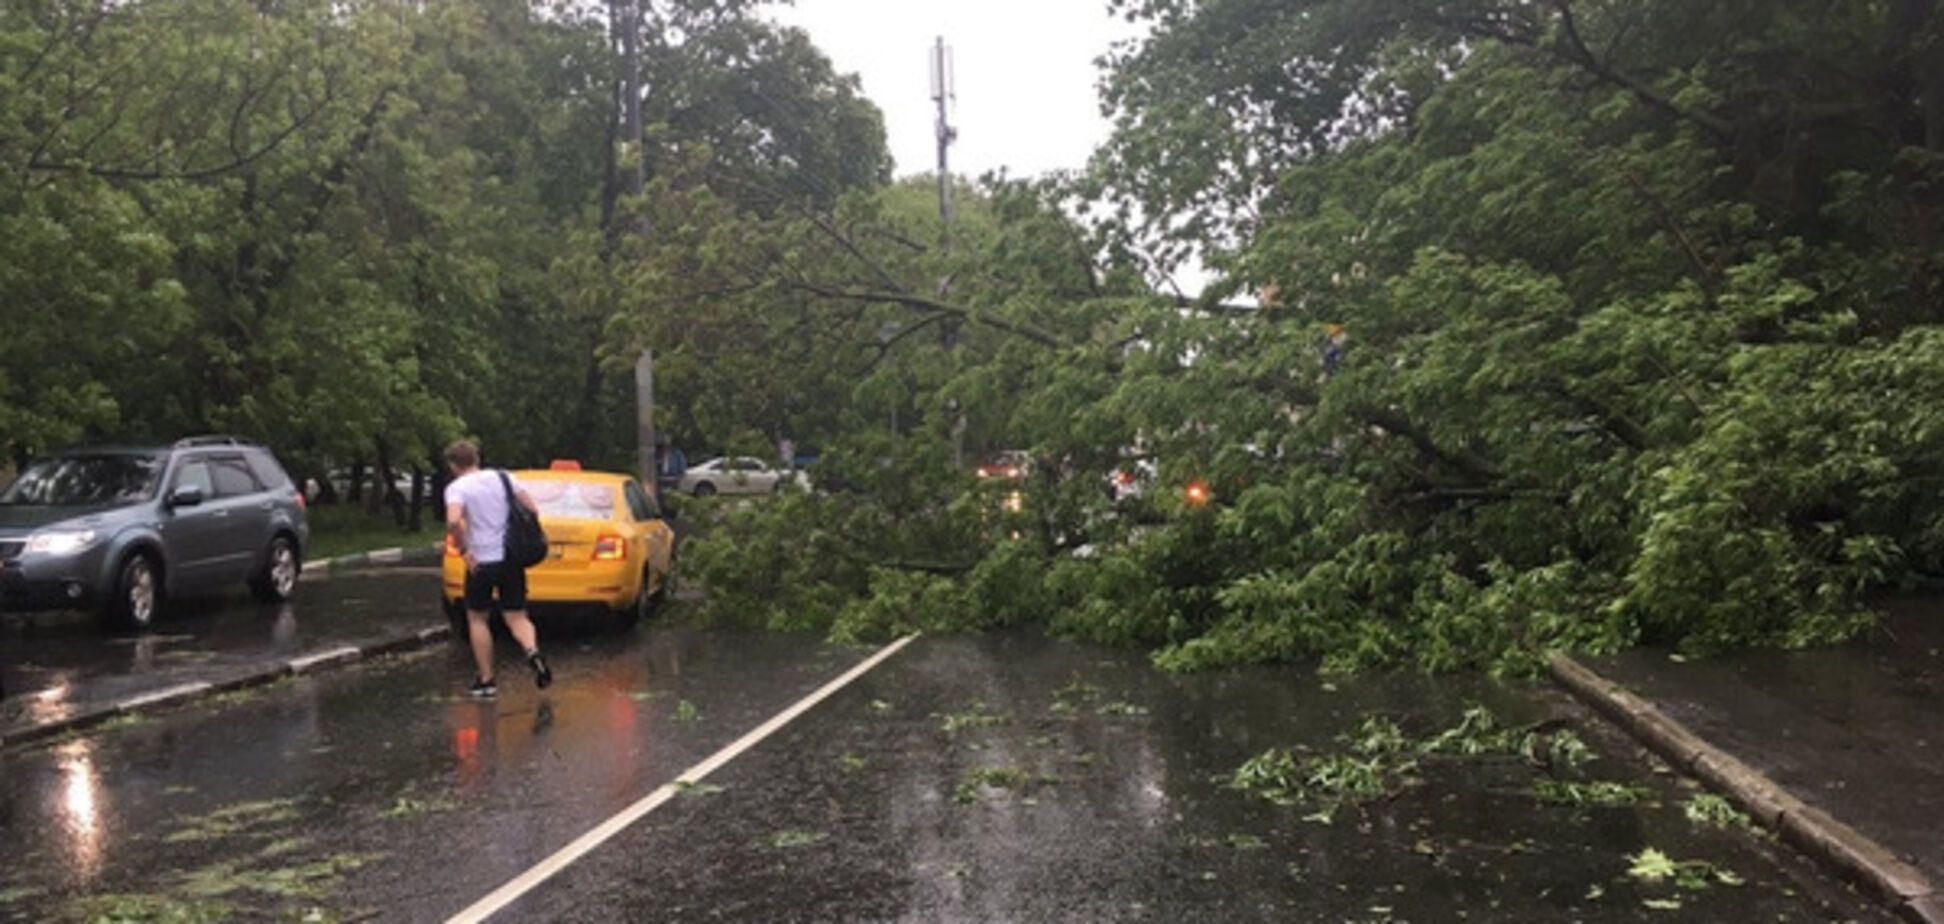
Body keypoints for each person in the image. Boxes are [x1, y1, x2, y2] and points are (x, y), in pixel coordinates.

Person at [443, 440, 551, 698]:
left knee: (478, 618)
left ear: (453, 465)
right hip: (510, 558)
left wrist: (464, 550)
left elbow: (453, 520)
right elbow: (532, 508)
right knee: (517, 615)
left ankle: (486, 680)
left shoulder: (457, 488)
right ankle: (532, 651)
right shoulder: (503, 478)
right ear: (477, 458)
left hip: (481, 561)